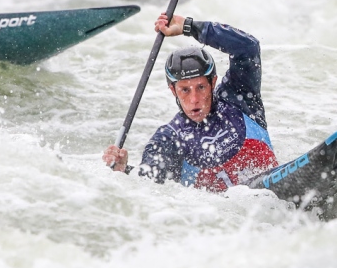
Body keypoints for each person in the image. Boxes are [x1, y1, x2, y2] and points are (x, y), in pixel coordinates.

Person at [102, 13, 277, 191]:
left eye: (201, 87)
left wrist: (188, 26)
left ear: (213, 83)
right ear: (173, 90)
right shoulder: (169, 140)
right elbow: (150, 190)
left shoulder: (239, 99)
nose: (194, 100)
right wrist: (123, 172)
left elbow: (248, 47)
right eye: (185, 90)